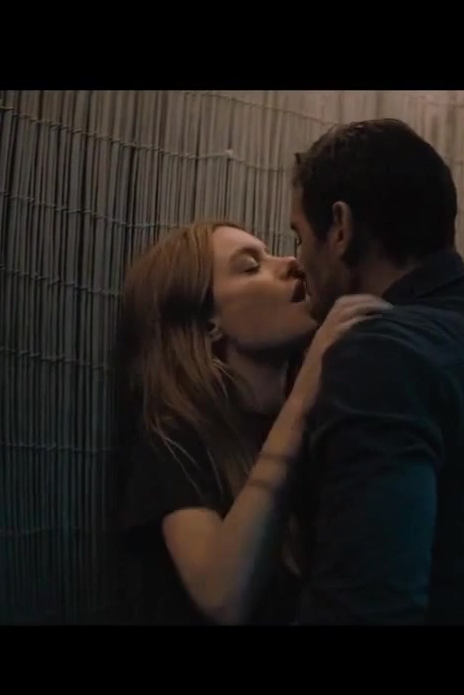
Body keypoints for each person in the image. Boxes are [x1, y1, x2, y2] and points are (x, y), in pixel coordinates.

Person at [288, 118, 464, 624]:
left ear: (340, 227)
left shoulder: (380, 352)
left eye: (299, 236)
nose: (297, 262)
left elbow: (365, 605)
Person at [110, 219, 389, 625]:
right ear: (209, 324)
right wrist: (304, 394)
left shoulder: (332, 425)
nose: (291, 262)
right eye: (251, 266)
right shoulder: (176, 441)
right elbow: (222, 596)